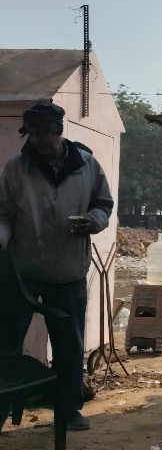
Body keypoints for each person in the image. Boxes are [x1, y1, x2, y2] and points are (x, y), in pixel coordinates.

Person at [0, 103, 114, 430]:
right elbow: (3, 214)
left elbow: (103, 204)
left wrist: (93, 221)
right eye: (31, 134)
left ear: (58, 131)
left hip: (68, 273)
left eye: (42, 133)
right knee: (7, 346)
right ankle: (3, 408)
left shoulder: (87, 165)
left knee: (68, 348)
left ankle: (68, 411)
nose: (36, 140)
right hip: (23, 274)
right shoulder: (15, 169)